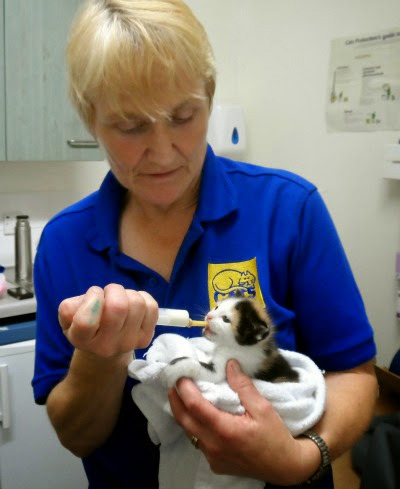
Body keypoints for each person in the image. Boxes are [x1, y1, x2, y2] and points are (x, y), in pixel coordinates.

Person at [32, 1, 378, 488]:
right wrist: (101, 359)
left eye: (183, 115)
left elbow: (355, 375)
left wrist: (300, 459)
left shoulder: (289, 209)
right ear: (92, 119)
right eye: (131, 126)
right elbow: (76, 436)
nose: (163, 151)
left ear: (209, 95)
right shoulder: (64, 243)